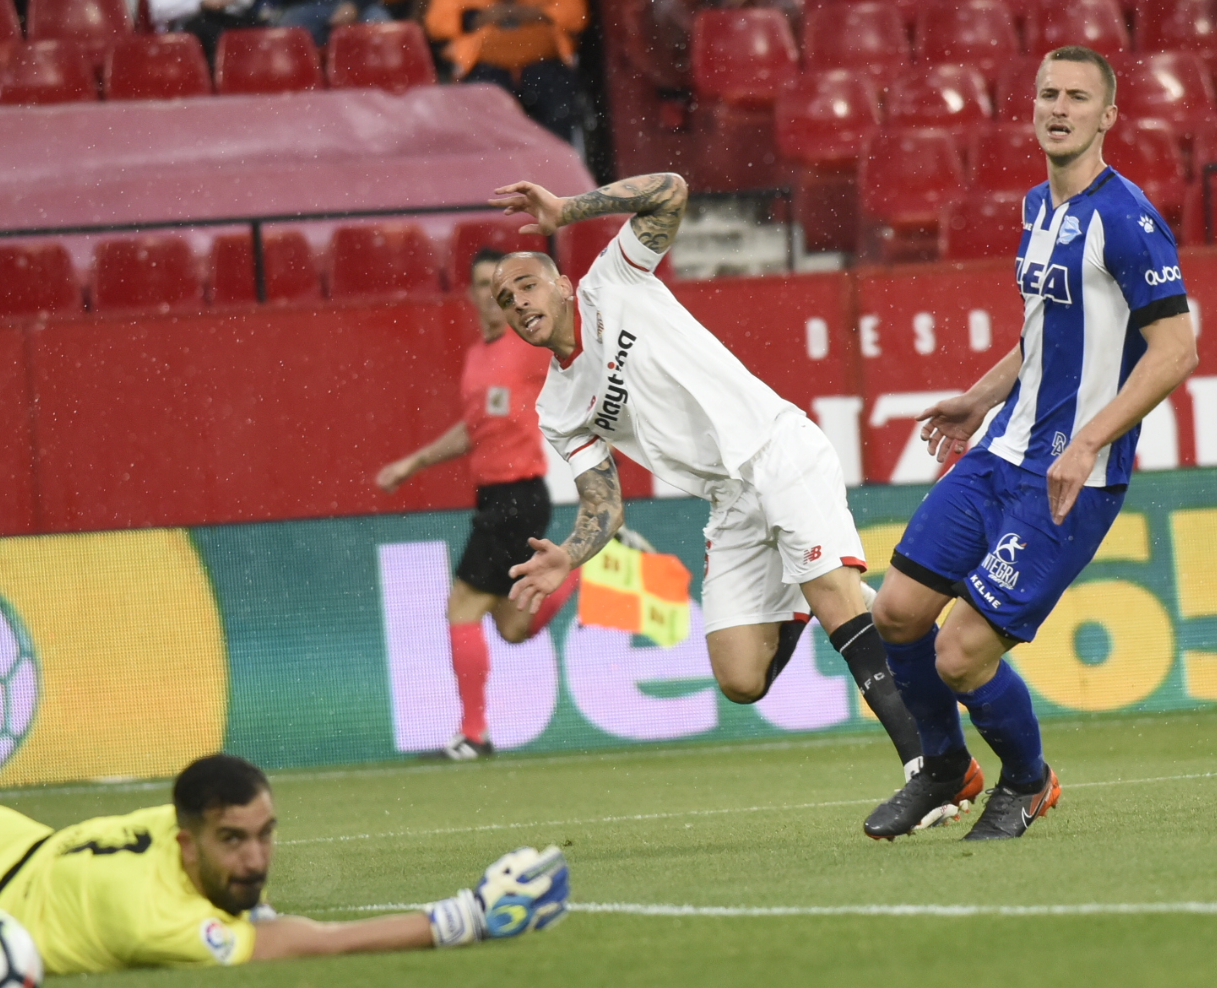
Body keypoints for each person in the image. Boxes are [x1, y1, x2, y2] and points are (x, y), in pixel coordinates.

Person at [0, 527, 568, 977]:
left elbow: (260, 903)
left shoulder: (159, 828)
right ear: (192, 838)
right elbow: (308, 942)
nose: (256, 857)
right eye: (239, 841)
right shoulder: (153, 920)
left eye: (263, 836)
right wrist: (458, 919)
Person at [485, 172, 927, 824]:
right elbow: (604, 504)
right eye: (503, 297)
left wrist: (568, 209)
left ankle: (929, 769)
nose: (517, 301)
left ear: (563, 283)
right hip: (730, 501)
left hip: (774, 449)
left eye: (527, 283)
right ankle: (820, 594)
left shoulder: (615, 280)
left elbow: (671, 188)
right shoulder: (557, 406)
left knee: (834, 600)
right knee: (741, 677)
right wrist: (567, 558)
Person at [864, 46, 1199, 840]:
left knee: (960, 655)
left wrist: (1087, 443)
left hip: (1071, 477)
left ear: (1107, 115)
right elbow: (1049, 333)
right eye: (1048, 93)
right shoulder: (1034, 206)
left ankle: (1027, 780)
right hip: (1001, 454)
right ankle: (946, 770)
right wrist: (981, 399)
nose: (1059, 107)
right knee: (897, 614)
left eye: (1078, 97)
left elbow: (1177, 349)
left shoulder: (1126, 218)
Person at [376, 246, 582, 761]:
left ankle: (473, 734)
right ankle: (575, 571)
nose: (501, 300)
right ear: (476, 295)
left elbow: (581, 355)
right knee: (512, 629)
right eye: (491, 289)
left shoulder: (531, 344)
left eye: (513, 289)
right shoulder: (477, 357)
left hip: (518, 495)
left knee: (461, 606)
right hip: (494, 497)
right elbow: (474, 431)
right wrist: (413, 463)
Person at [425, 0, 587, 142]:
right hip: (485, 67)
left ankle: (555, 170)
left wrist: (538, 13)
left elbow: (576, 16)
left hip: (544, 65)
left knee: (557, 109)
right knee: (484, 123)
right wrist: (479, 17)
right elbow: (437, 24)